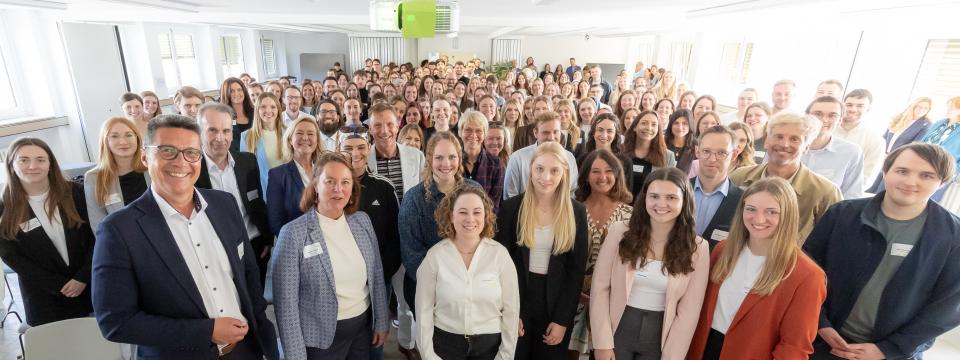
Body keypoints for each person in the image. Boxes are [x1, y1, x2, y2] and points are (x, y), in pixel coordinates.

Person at [92, 115, 279, 359]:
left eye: (191, 152)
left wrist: (263, 338)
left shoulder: (225, 205)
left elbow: (248, 274)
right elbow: (115, 321)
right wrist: (207, 331)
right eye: (167, 151)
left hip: (245, 351)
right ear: (145, 157)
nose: (181, 162)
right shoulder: (119, 230)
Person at [803, 143, 960, 360]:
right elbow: (806, 271)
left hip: (894, 354)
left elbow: (947, 307)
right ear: (886, 172)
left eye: (926, 176)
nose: (910, 182)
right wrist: (820, 323)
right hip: (820, 341)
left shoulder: (952, 236)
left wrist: (888, 349)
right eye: (902, 171)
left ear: (942, 181)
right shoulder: (842, 214)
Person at [688, 177, 827, 360]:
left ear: (788, 215)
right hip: (702, 349)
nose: (759, 219)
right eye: (751, 209)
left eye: (771, 212)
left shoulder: (807, 276)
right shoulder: (723, 250)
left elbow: (794, 347)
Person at [272, 151, 388, 360]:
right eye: (330, 181)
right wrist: (295, 355)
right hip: (320, 339)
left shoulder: (362, 221)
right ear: (316, 185)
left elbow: (377, 274)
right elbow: (285, 305)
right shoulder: (293, 234)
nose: (338, 189)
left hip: (361, 331)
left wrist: (381, 320)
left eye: (345, 182)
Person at [590, 168, 709, 360]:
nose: (661, 204)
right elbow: (600, 288)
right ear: (644, 198)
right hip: (616, 330)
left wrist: (672, 357)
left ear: (684, 200)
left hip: (660, 339)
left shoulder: (698, 248)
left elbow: (689, 312)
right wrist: (602, 343)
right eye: (654, 196)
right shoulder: (620, 232)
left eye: (671, 197)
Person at [496, 142, 588, 359]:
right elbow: (501, 265)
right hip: (518, 299)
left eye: (554, 170)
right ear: (530, 170)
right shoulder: (511, 208)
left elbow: (575, 272)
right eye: (539, 169)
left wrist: (563, 319)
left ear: (564, 173)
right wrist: (510, 311)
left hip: (555, 303)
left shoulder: (576, 212)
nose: (545, 177)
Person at [415, 185, 520, 360]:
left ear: (486, 216)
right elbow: (423, 311)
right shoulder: (435, 257)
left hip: (490, 347)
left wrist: (505, 355)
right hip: (445, 344)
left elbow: (511, 310)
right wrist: (428, 355)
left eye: (477, 212)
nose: (470, 219)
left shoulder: (500, 255)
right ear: (451, 216)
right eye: (463, 212)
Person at [0, 138, 94, 327]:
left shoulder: (76, 192)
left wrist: (82, 278)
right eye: (24, 160)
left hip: (89, 286)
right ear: (11, 164)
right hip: (43, 297)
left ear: (50, 163)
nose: (33, 166)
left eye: (40, 159)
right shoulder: (4, 206)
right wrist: (58, 284)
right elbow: (11, 256)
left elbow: (95, 237)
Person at [398, 132, 478, 311]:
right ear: (429, 160)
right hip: (427, 291)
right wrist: (447, 285)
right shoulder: (413, 199)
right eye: (439, 158)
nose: (446, 164)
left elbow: (486, 237)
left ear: (459, 158)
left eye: (452, 157)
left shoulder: (475, 191)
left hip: (469, 287)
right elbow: (412, 256)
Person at [730, 111, 841, 240]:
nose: (784, 144)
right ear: (766, 141)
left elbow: (833, 240)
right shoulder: (739, 177)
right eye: (779, 136)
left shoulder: (825, 192)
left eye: (794, 139)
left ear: (806, 147)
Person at [196, 103, 272, 284]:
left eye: (226, 131)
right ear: (199, 132)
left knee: (257, 297)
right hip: (215, 254)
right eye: (212, 130)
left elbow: (256, 203)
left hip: (254, 247)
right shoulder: (193, 170)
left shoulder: (247, 162)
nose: (220, 138)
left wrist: (267, 239)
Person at [568, 149, 633, 357]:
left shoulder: (630, 216)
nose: (602, 177)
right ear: (586, 176)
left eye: (608, 171)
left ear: (617, 175)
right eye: (595, 171)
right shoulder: (571, 210)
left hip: (609, 306)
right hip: (572, 302)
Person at [83, 117, 149, 231]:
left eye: (128, 135)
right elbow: (98, 224)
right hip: (122, 240)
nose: (123, 142)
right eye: (114, 136)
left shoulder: (152, 167)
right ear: (105, 141)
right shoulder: (94, 178)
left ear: (137, 138)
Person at [691, 125, 745, 249]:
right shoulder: (678, 191)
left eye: (721, 153)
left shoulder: (743, 201)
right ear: (697, 151)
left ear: (734, 155)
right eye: (706, 151)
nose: (712, 159)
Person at [267, 117, 323, 236]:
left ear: (317, 141)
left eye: (310, 134)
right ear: (290, 140)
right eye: (299, 133)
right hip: (296, 241)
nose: (305, 137)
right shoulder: (277, 175)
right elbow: (276, 221)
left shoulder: (324, 172)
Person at [503, 111, 579, 199]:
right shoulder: (518, 158)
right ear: (535, 133)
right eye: (546, 133)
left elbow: (572, 192)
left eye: (555, 132)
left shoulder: (569, 158)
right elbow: (510, 195)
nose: (551, 137)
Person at [801, 96, 865, 199]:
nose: (824, 120)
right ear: (806, 116)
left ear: (840, 120)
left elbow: (852, 195)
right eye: (818, 114)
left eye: (832, 115)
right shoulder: (787, 146)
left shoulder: (852, 152)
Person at [367, 103, 425, 203]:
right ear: (370, 129)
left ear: (397, 127)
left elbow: (424, 196)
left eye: (390, 124)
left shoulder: (417, 157)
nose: (385, 131)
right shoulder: (364, 160)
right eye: (378, 125)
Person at [622, 110, 677, 205]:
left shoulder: (668, 156)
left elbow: (671, 188)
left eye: (654, 125)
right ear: (634, 127)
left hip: (651, 209)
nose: (649, 128)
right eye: (644, 123)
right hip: (621, 208)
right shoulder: (620, 152)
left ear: (658, 130)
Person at [836, 89, 885, 187]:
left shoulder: (876, 140)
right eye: (849, 105)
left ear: (868, 109)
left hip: (848, 194)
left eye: (860, 106)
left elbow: (867, 177)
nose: (853, 109)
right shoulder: (827, 130)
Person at [241, 92, 286, 194]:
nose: (268, 111)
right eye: (263, 107)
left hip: (288, 189)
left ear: (278, 110)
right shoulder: (246, 137)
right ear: (257, 110)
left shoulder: (289, 133)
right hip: (264, 192)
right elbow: (246, 172)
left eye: (273, 107)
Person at [460, 111, 503, 210]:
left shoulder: (495, 164)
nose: (473, 135)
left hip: (485, 217)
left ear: (484, 134)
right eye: (468, 130)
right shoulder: (452, 161)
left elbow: (494, 206)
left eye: (478, 131)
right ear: (460, 132)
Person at [220, 77, 256, 152]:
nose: (236, 93)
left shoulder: (255, 112)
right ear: (226, 94)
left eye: (239, 90)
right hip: (236, 156)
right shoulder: (222, 118)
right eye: (232, 91)